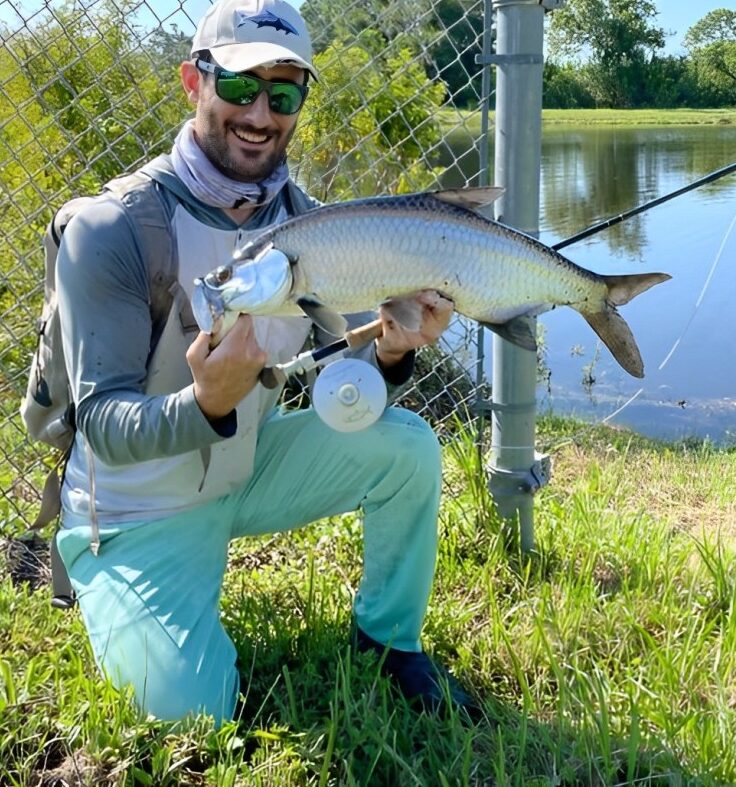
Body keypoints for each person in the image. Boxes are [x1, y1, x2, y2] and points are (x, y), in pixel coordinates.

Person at [55, 0, 475, 725]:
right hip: (136, 510)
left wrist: (391, 351)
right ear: (193, 82)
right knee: (197, 714)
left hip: (244, 471)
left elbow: (345, 379)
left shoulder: (311, 224)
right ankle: (103, 583)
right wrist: (206, 403)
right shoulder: (114, 227)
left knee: (407, 446)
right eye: (241, 86)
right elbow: (100, 424)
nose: (261, 113)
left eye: (283, 94)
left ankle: (387, 639)